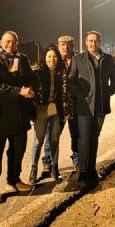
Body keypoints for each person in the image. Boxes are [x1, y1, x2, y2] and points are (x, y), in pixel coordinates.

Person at [0, 31, 38, 204]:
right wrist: (19, 91)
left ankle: (13, 180)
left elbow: (31, 78)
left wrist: (32, 87)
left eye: (13, 42)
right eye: (7, 41)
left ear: (17, 43)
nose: (10, 45)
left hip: (20, 115)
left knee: (18, 151)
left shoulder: (22, 59)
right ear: (1, 42)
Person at [68, 31, 115, 187]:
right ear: (86, 42)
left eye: (96, 41)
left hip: (101, 106)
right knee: (84, 138)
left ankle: (92, 169)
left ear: (100, 42)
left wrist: (109, 91)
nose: (93, 43)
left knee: (94, 137)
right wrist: (80, 95)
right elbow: (71, 81)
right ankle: (83, 172)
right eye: (90, 41)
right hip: (84, 106)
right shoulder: (78, 59)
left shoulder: (108, 58)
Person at [28, 46, 68, 185]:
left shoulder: (62, 73)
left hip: (56, 111)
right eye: (49, 56)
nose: (52, 59)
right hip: (41, 111)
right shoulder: (37, 73)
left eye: (55, 56)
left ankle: (54, 168)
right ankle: (33, 170)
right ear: (44, 58)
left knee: (54, 140)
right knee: (38, 141)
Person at [40, 35, 77, 177]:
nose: (65, 47)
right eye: (62, 44)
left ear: (73, 46)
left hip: (74, 105)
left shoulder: (79, 61)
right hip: (57, 106)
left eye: (68, 44)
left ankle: (77, 160)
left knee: (76, 134)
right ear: (58, 45)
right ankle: (47, 163)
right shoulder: (54, 60)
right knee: (52, 136)